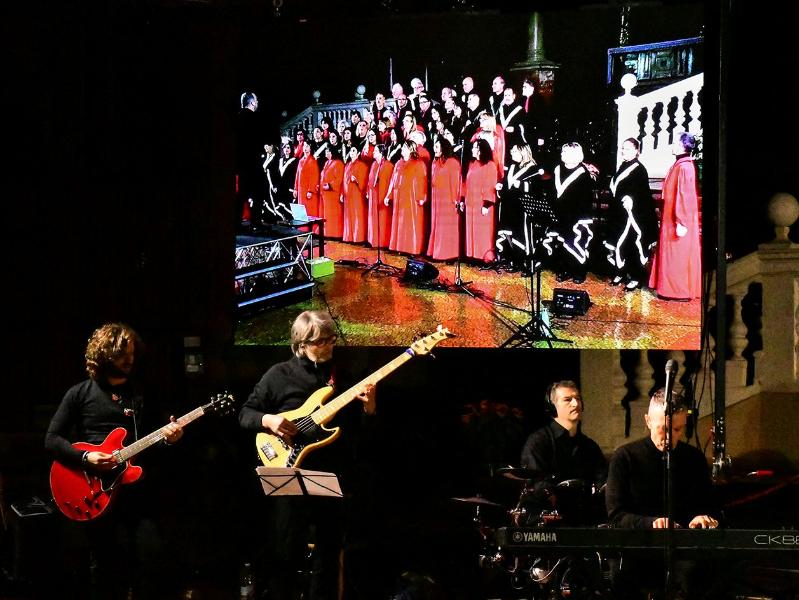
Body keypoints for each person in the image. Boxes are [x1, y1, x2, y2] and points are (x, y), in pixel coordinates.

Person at [239, 311, 376, 600]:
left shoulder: (343, 377)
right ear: (301, 343)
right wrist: (270, 421)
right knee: (285, 553)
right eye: (320, 341)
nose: (328, 345)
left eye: (331, 339)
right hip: (287, 475)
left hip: (330, 475)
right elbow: (246, 414)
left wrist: (369, 409)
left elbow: (359, 433)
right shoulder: (278, 375)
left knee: (328, 554)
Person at [45, 323, 184, 599]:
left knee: (153, 560)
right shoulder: (79, 394)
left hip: (136, 494)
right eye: (123, 354)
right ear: (104, 355)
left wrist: (170, 438)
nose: (129, 360)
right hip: (94, 494)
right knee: (109, 571)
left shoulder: (143, 394)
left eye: (132, 353)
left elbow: (156, 439)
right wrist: (85, 457)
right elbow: (51, 439)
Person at [605, 388, 719, 598]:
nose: (670, 437)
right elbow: (616, 515)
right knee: (623, 573)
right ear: (648, 421)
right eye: (663, 429)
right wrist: (653, 523)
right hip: (638, 546)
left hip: (682, 548)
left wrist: (703, 517)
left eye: (677, 430)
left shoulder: (693, 459)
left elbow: (709, 505)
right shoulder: (625, 457)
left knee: (703, 571)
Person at [519, 380, 607, 524]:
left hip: (582, 519)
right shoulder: (538, 441)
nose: (575, 404)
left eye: (578, 399)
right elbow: (535, 483)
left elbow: (602, 482)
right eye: (568, 400)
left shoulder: (590, 447)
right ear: (552, 407)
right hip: (546, 519)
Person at [648, 132, 702, 301]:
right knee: (671, 253)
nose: (671, 145)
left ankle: (678, 291)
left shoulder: (685, 167)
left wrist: (681, 221)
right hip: (671, 217)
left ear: (682, 145)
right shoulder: (681, 164)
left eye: (674, 142)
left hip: (677, 219)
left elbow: (684, 196)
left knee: (676, 254)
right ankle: (670, 288)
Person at [603, 137, 658, 291]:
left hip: (632, 216)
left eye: (627, 149)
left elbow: (641, 194)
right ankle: (620, 272)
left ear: (636, 151)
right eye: (622, 148)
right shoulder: (623, 166)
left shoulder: (639, 169)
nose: (623, 151)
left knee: (632, 245)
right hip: (618, 215)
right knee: (619, 244)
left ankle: (635, 277)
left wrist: (631, 199)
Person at [543, 142, 595, 284]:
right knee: (560, 244)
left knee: (575, 243)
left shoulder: (583, 173)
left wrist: (571, 215)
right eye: (562, 152)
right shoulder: (557, 169)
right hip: (559, 214)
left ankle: (579, 271)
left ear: (575, 155)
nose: (562, 154)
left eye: (566, 152)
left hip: (577, 217)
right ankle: (565, 270)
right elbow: (552, 192)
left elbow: (584, 199)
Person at [495, 143, 547, 272]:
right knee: (509, 234)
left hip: (523, 209)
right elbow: (506, 184)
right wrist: (500, 187)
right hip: (508, 206)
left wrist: (521, 185)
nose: (511, 153)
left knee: (523, 236)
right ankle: (515, 260)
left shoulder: (534, 169)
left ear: (523, 152)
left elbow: (536, 190)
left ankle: (528, 263)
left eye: (514, 151)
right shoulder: (512, 167)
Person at [387, 140, 428, 255]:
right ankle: (400, 247)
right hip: (400, 196)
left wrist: (422, 197)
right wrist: (388, 195)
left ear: (411, 149)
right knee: (400, 223)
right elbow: (393, 181)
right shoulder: (398, 163)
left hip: (412, 197)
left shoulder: (419, 163)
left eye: (404, 147)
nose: (402, 149)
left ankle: (412, 249)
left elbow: (423, 181)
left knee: (411, 223)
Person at [463, 138, 498, 263]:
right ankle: (472, 255)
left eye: (475, 147)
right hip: (471, 202)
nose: (472, 149)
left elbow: (490, 185)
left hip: (482, 203)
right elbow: (466, 183)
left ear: (481, 150)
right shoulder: (472, 164)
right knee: (472, 230)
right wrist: (463, 199)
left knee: (483, 232)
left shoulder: (490, 165)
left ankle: (485, 257)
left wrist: (487, 204)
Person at [426, 137, 461, 261]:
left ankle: (448, 254)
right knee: (436, 225)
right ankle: (436, 251)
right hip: (437, 198)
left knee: (446, 226)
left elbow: (456, 183)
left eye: (437, 146)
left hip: (448, 200)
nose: (434, 149)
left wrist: (455, 200)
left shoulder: (453, 162)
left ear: (443, 148)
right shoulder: (435, 162)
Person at [235, 91, 264, 231]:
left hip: (241, 163)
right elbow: (257, 141)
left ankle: (236, 223)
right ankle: (256, 222)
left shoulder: (237, 117)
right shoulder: (254, 119)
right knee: (259, 192)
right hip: (253, 161)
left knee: (241, 194)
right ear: (252, 102)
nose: (257, 102)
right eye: (256, 100)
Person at [367, 143, 394, 249]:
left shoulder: (389, 166)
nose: (373, 152)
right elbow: (370, 180)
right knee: (373, 219)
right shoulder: (374, 165)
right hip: (374, 196)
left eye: (375, 151)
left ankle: (383, 242)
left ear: (381, 153)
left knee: (383, 219)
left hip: (382, 196)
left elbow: (391, 183)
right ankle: (373, 240)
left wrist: (389, 196)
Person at [342, 146, 369, 243]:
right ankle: (349, 237)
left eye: (354, 150)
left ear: (358, 153)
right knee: (349, 215)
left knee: (357, 215)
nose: (351, 152)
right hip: (348, 194)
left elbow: (365, 181)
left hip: (357, 194)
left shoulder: (362, 165)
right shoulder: (347, 165)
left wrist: (357, 180)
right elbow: (343, 180)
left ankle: (358, 238)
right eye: (350, 150)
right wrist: (342, 193)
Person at [319, 145, 345, 239]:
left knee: (334, 215)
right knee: (327, 215)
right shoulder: (326, 162)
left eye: (328, 151)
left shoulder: (338, 163)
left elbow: (339, 178)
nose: (326, 153)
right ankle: (327, 233)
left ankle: (335, 234)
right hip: (326, 194)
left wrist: (330, 185)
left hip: (333, 194)